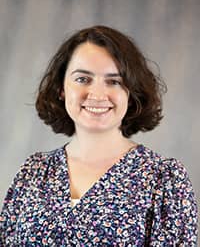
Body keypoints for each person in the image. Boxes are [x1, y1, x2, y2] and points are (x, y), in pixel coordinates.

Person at [0, 25, 198, 246]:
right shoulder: (34, 172)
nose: (96, 94)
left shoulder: (163, 180)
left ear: (131, 93)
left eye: (114, 81)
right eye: (83, 79)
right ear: (61, 88)